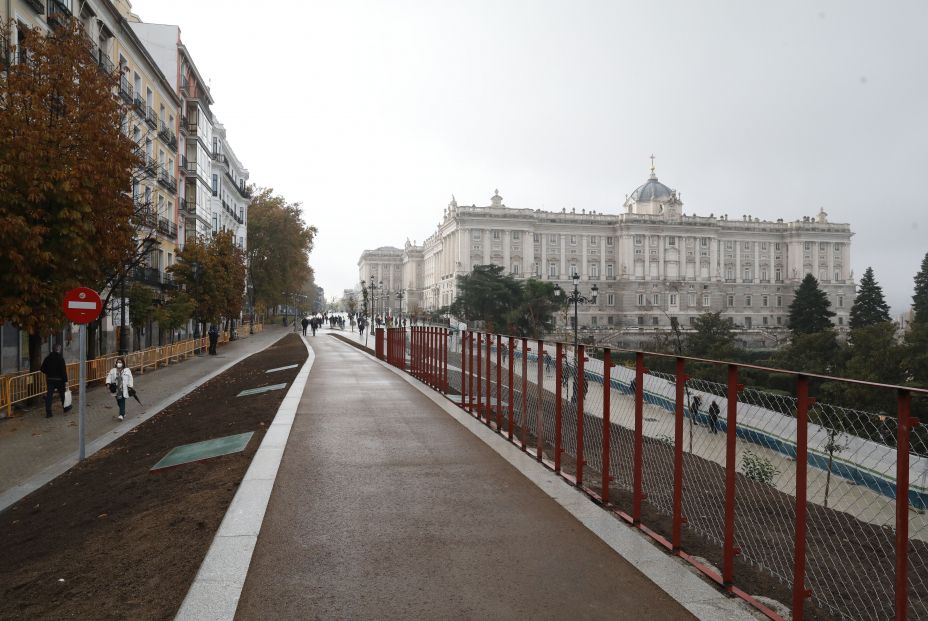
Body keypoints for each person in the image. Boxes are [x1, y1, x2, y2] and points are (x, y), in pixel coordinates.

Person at [40, 344, 68, 418]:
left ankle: (48, 413)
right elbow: (63, 371)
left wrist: (48, 373)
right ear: (58, 349)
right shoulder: (60, 358)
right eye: (60, 349)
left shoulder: (47, 358)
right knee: (62, 394)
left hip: (50, 380)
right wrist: (65, 380)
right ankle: (66, 408)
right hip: (59, 380)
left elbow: (42, 369)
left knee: (49, 396)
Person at [106, 357, 134, 421]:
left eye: (120, 362)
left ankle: (121, 415)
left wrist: (130, 386)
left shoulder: (127, 370)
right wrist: (108, 383)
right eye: (118, 362)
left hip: (124, 388)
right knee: (118, 401)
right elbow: (109, 377)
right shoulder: (113, 370)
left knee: (122, 400)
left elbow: (130, 378)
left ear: (123, 363)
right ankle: (123, 412)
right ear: (116, 363)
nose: (119, 363)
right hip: (115, 389)